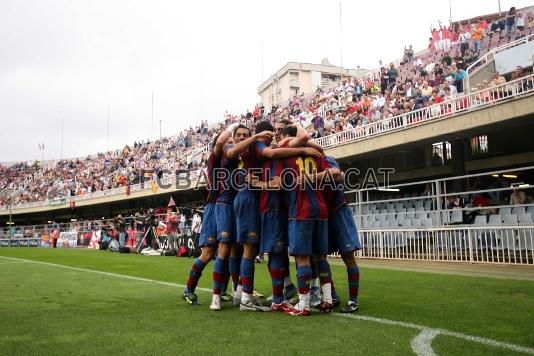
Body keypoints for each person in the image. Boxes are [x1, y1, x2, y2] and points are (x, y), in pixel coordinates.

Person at [182, 125, 232, 306]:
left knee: (227, 251)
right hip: (213, 207)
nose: (231, 144)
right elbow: (220, 143)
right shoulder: (214, 158)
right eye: (229, 141)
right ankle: (189, 290)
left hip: (227, 206)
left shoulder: (230, 159)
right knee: (209, 252)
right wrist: (233, 126)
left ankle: (223, 291)